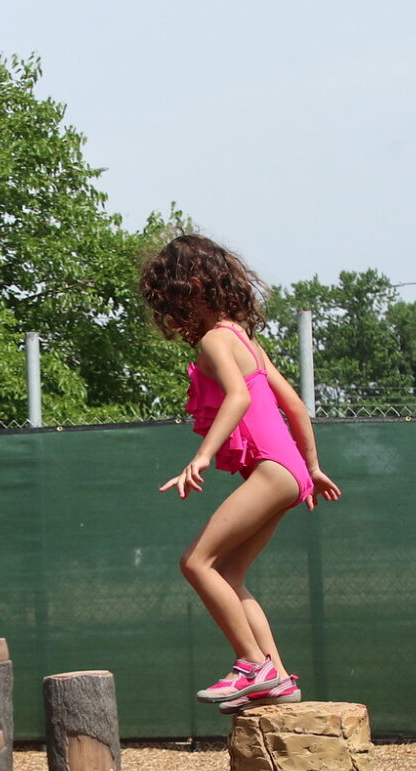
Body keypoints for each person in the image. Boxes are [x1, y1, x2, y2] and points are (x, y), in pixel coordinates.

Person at [139, 232, 341, 712]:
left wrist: (202, 457)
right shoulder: (243, 338)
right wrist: (311, 468)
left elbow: (239, 398)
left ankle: (252, 664)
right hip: (288, 471)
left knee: (196, 563)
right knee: (229, 573)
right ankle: (278, 679)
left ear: (189, 290)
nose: (171, 314)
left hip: (273, 470)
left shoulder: (215, 340)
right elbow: (295, 406)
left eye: (170, 300)